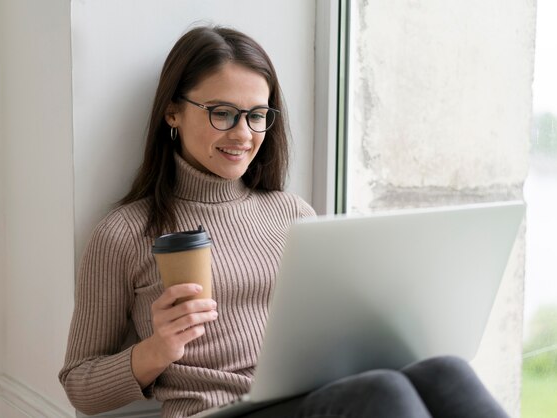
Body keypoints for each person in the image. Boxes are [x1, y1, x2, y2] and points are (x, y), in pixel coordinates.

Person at [59, 25, 509, 418]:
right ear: (172, 112)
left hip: (310, 399)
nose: (243, 133)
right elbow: (79, 383)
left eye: (257, 116)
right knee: (381, 392)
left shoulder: (291, 213)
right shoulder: (125, 232)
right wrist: (158, 349)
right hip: (215, 411)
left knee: (446, 371)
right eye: (222, 112)